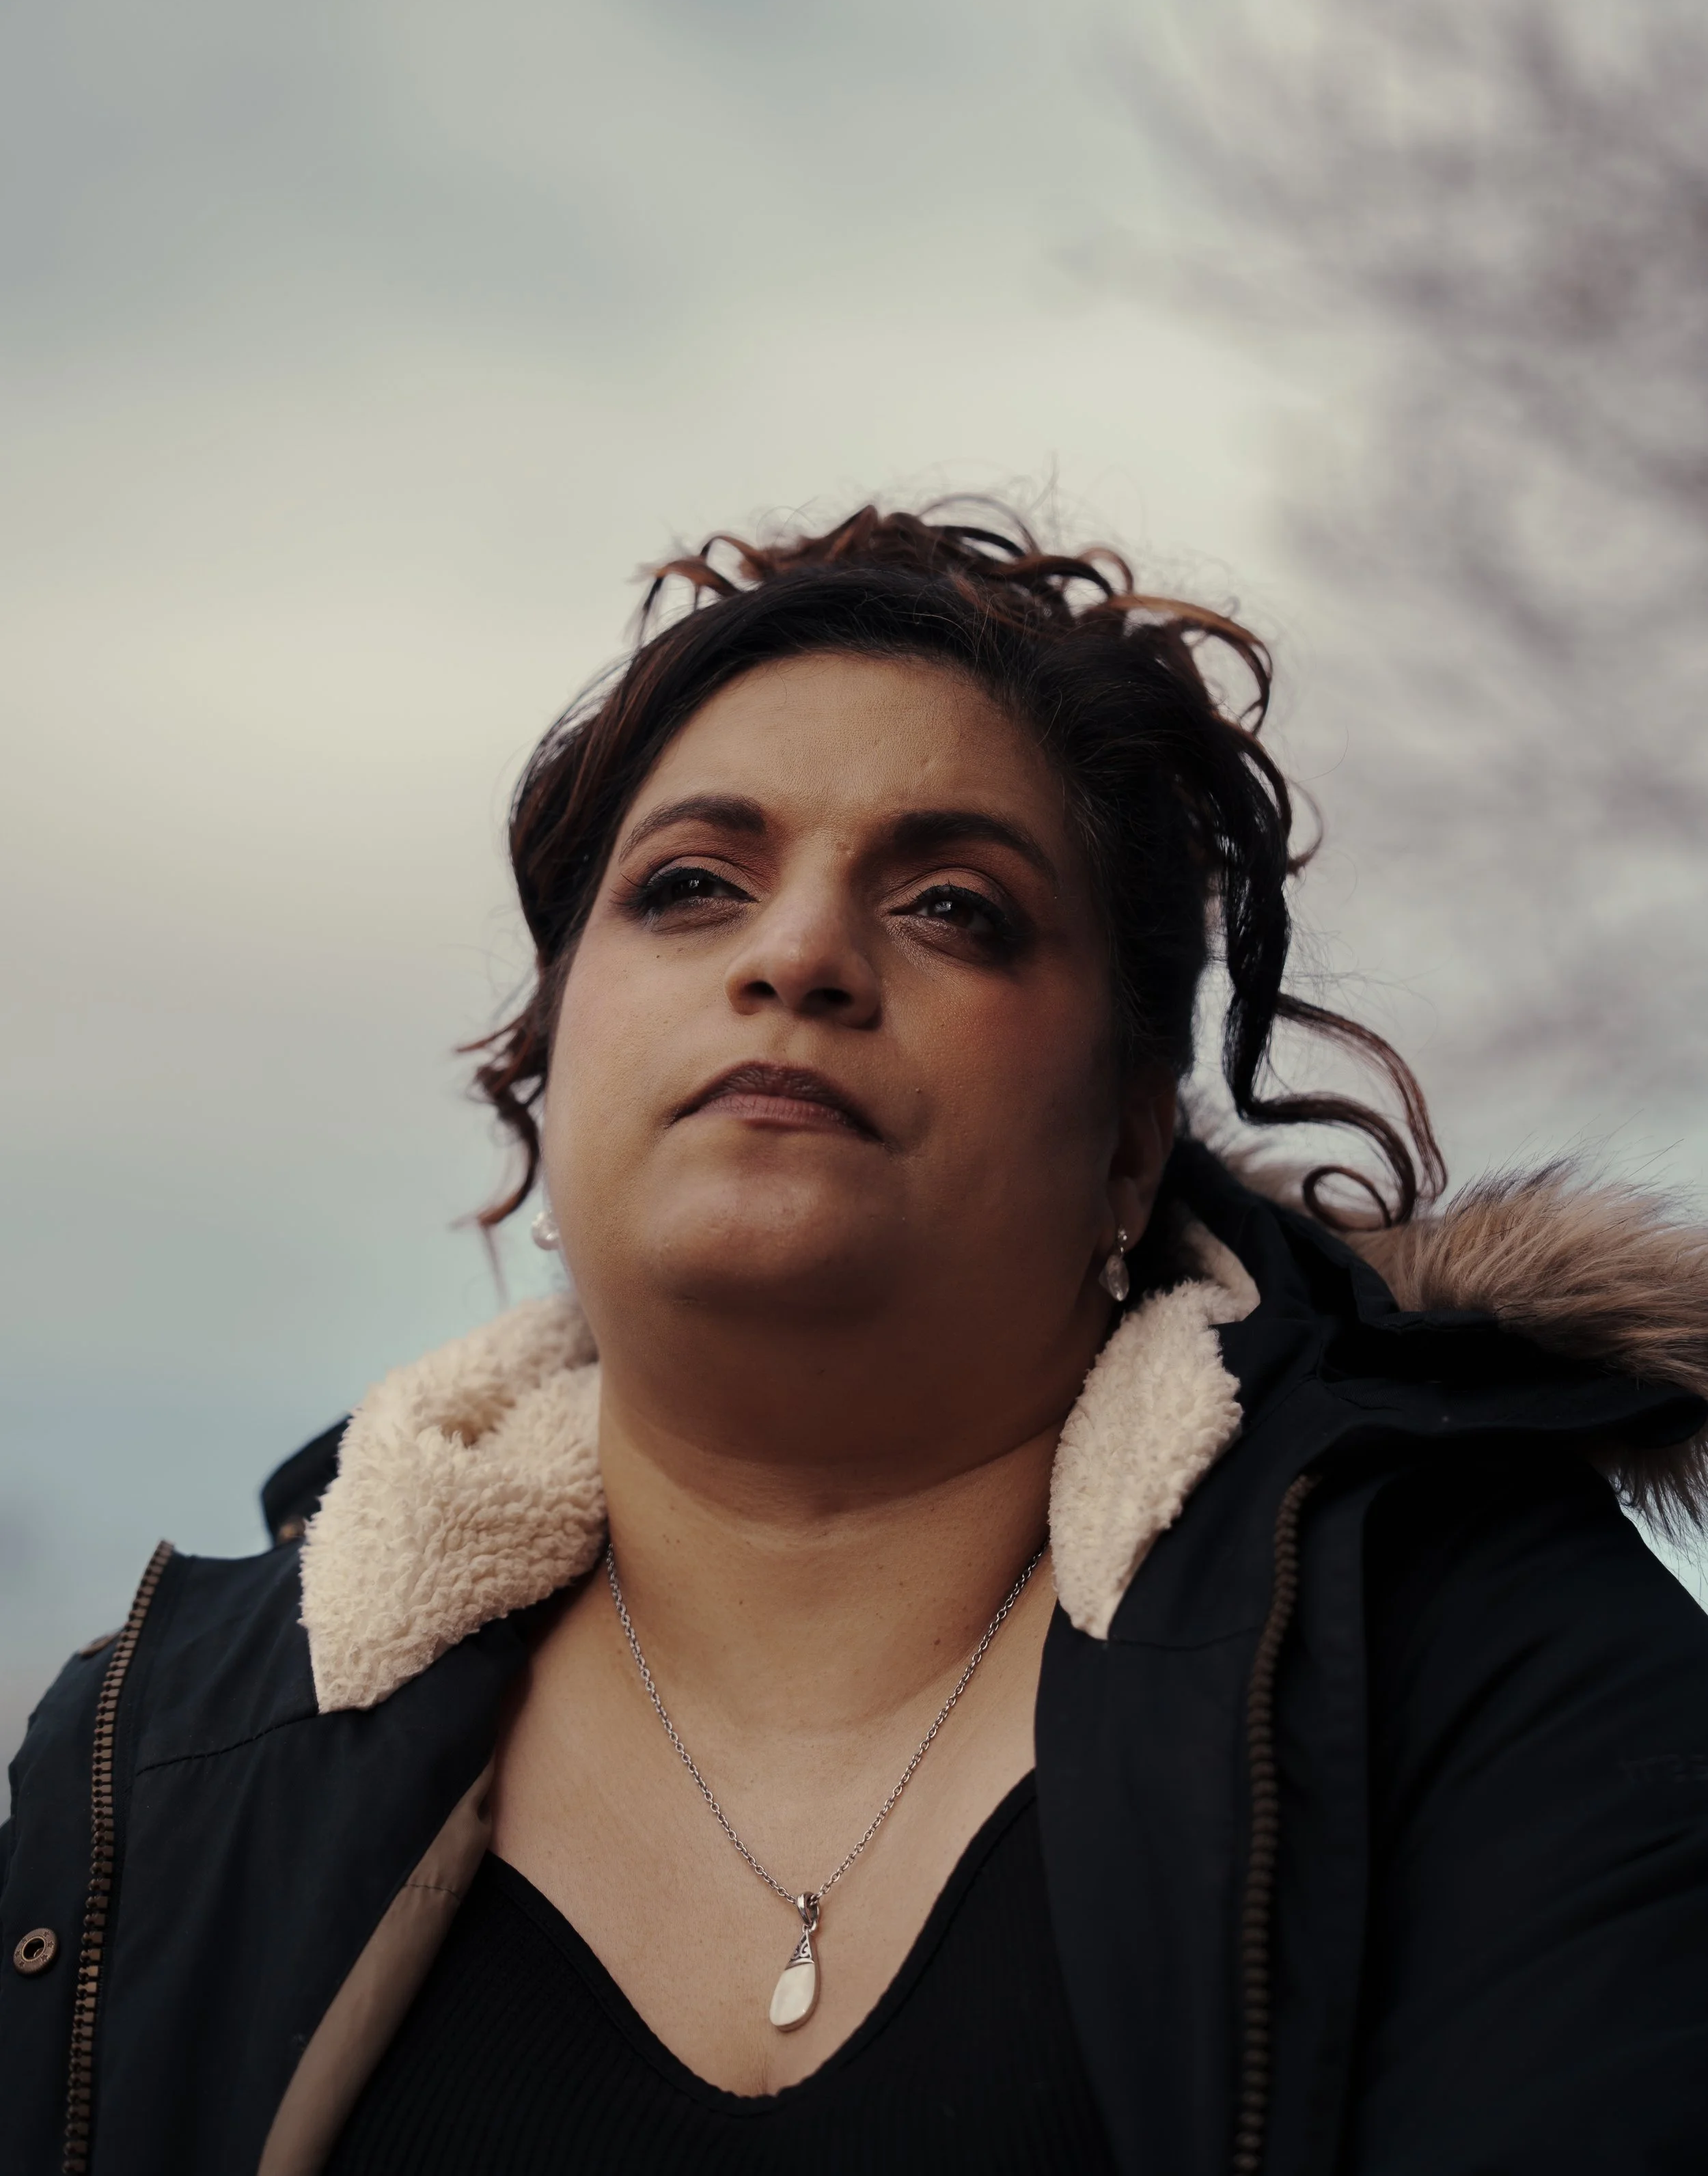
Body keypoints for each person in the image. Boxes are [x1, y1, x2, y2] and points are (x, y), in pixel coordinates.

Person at [5, 504, 1707, 2176]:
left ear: (1128, 1136)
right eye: (689, 887)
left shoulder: (1474, 1659)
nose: (799, 952)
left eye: (954, 905)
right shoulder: (150, 1765)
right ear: (543, 1069)